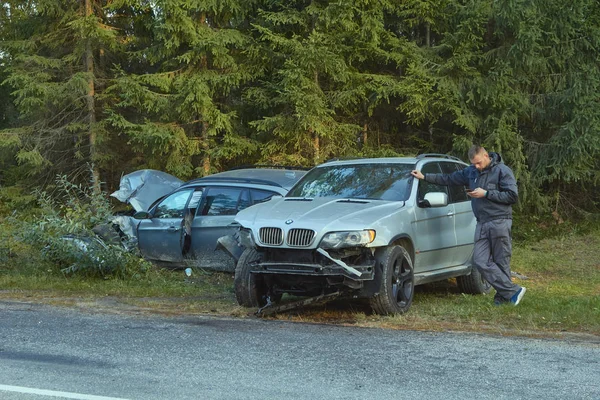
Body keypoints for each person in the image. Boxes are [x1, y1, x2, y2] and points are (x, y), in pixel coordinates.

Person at [410, 145, 526, 306]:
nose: (476, 166)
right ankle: (512, 291)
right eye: (473, 164)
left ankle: (503, 296)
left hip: (499, 220)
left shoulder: (502, 171)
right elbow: (448, 179)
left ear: (486, 156)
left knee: (501, 260)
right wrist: (424, 177)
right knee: (479, 260)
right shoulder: (471, 172)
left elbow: (512, 196)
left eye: (479, 163)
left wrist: (486, 193)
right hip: (481, 222)